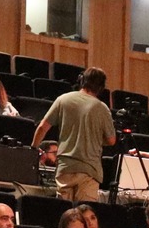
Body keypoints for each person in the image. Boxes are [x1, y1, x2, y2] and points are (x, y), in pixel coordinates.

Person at [34, 67, 116, 203]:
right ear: (101, 88)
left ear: (82, 80)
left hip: (65, 168)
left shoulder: (63, 100)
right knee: (83, 217)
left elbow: (42, 127)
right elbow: (111, 140)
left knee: (65, 216)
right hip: (89, 170)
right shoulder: (102, 108)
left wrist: (33, 148)